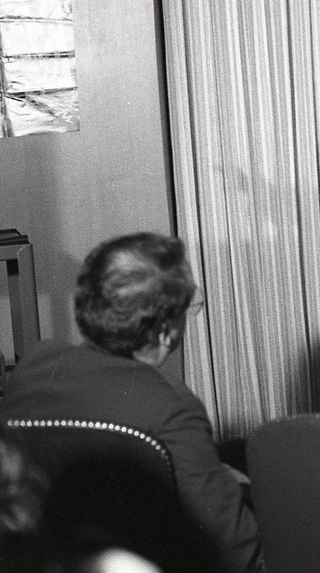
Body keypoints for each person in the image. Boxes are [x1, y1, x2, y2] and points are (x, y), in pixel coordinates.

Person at [0, 233, 262, 573]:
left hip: (51, 554)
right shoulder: (173, 406)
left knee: (236, 451)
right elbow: (234, 548)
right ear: (166, 330)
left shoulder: (33, 366)